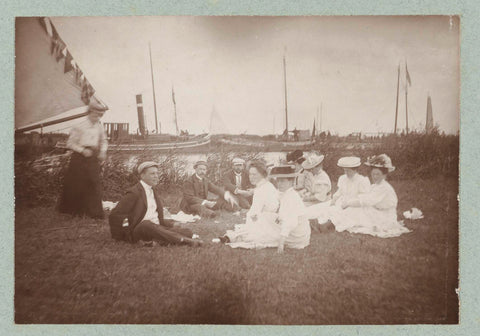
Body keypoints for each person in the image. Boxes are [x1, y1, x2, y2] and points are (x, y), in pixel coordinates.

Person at [109, 161, 202, 246]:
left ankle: (156, 242)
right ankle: (185, 241)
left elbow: (155, 215)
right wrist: (119, 237)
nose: (156, 176)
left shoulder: (152, 190)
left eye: (157, 173)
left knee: (187, 231)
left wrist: (170, 224)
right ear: (142, 175)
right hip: (141, 229)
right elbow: (115, 215)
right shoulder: (134, 192)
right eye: (152, 174)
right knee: (146, 224)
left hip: (156, 227)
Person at [330, 154, 410, 238]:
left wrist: (349, 203)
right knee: (354, 211)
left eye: (378, 174)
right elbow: (364, 198)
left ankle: (331, 224)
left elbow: (367, 201)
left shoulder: (384, 188)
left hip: (384, 216)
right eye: (373, 174)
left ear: (384, 175)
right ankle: (330, 223)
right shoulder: (375, 186)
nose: (375, 177)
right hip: (375, 211)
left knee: (355, 212)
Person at [57, 100, 109, 219]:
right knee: (77, 184)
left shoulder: (99, 127)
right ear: (89, 112)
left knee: (94, 183)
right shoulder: (79, 126)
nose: (97, 118)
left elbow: (104, 141)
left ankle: (95, 213)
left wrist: (102, 151)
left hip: (93, 157)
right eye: (95, 115)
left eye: (100, 115)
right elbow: (70, 143)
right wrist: (82, 150)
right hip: (79, 157)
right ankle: (74, 211)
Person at [218, 161, 280, 249]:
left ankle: (233, 237)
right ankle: (233, 236)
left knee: (251, 234)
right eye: (250, 174)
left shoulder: (261, 190)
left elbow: (254, 213)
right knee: (248, 227)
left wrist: (251, 219)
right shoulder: (267, 185)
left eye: (254, 174)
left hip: (268, 220)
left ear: (262, 174)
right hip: (271, 217)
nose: (251, 177)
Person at [272, 165, 311, 253]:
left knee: (266, 227)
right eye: (278, 181)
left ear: (290, 182)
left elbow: (291, 222)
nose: (279, 184)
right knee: (268, 218)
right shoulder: (287, 193)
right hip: (299, 233)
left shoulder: (291, 197)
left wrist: (281, 243)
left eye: (282, 181)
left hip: (297, 236)